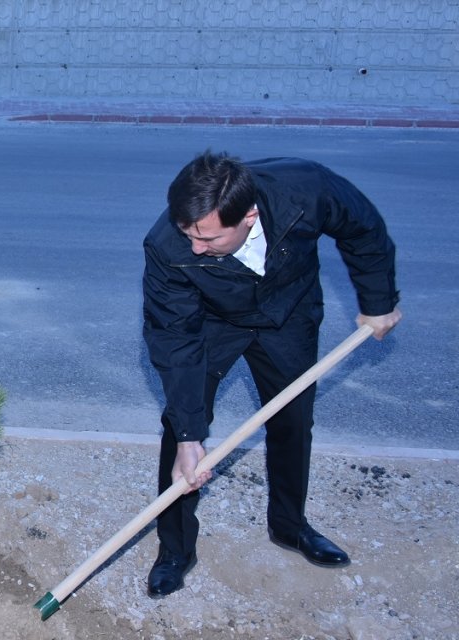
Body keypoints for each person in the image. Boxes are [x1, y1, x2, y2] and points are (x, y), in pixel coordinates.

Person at [141, 150, 402, 597]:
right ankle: (175, 549)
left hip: (288, 312)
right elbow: (174, 337)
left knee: (293, 420)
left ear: (250, 215)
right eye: (188, 234)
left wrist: (377, 302)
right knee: (180, 425)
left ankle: (289, 526)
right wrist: (190, 436)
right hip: (210, 322)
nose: (195, 247)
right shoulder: (168, 245)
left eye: (208, 237)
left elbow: (364, 228)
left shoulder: (306, 189)